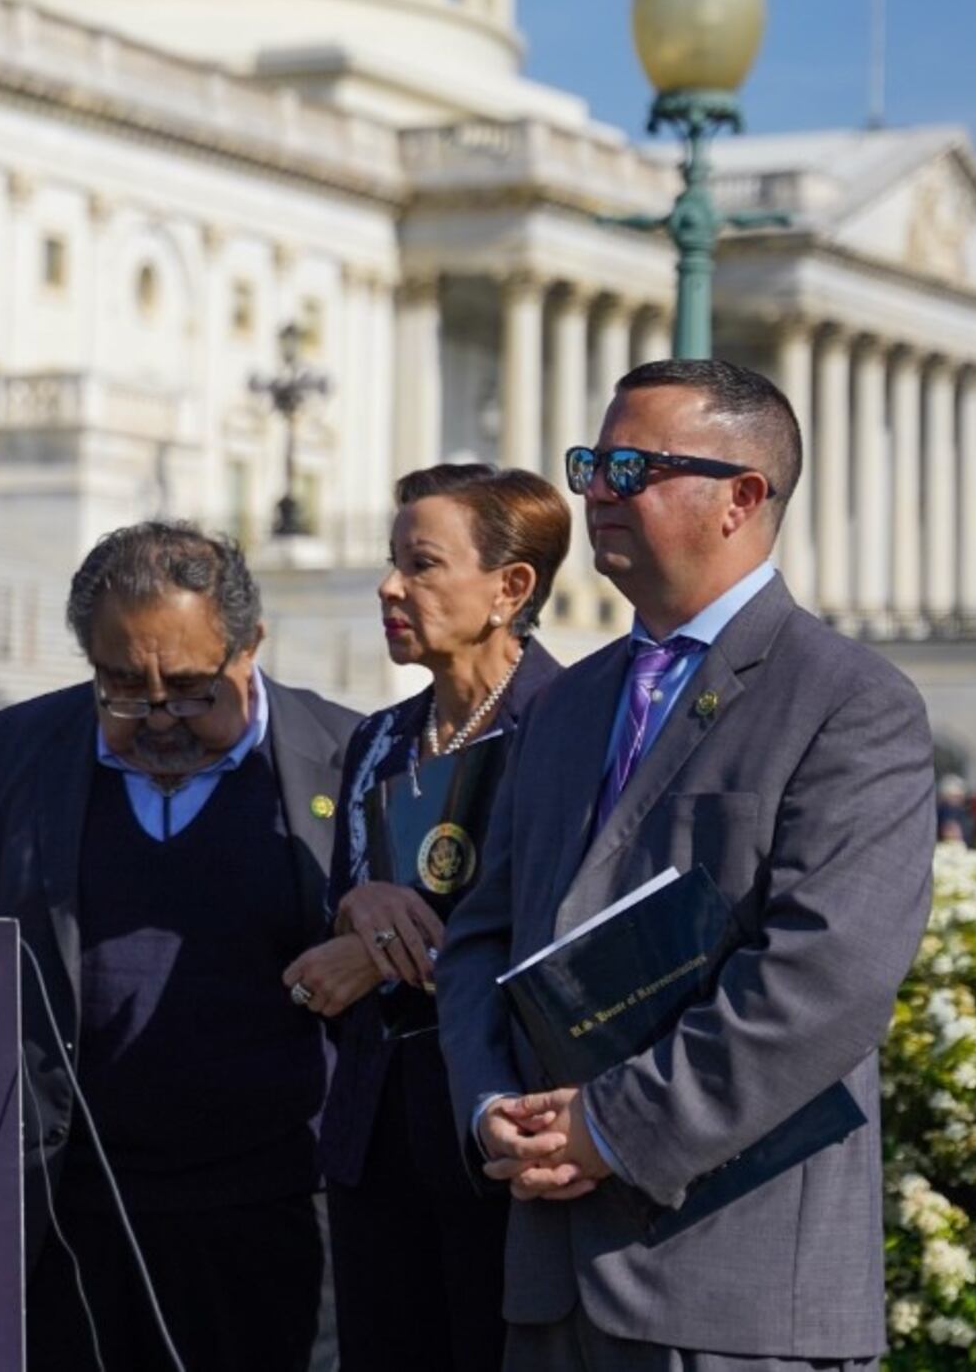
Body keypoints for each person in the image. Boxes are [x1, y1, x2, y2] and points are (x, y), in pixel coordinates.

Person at [436, 359, 934, 1372]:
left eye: (632, 467)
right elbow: (481, 938)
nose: (596, 493)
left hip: (732, 1281)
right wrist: (494, 1109)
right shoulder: (568, 706)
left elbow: (825, 977)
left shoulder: (850, 701)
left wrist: (612, 1126)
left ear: (741, 498)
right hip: (553, 1273)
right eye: (592, 464)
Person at [0, 521, 358, 1372]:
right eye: (125, 686)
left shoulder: (348, 756)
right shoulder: (18, 751)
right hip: (74, 1213)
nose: (161, 716)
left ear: (251, 649)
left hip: (280, 1212)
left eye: (194, 689)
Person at [283, 464, 569, 1372]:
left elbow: (557, 933)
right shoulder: (377, 741)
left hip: (502, 1139)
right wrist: (358, 912)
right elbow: (344, 923)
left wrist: (376, 952)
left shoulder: (568, 725)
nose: (389, 586)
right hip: (376, 1138)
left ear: (510, 587)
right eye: (391, 560)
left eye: (423, 563)